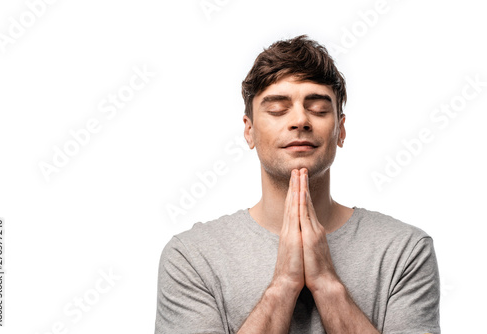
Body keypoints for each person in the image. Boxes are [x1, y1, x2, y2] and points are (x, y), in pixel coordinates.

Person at [155, 35, 440, 333]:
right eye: (278, 109)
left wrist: (328, 285)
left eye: (318, 108)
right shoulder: (192, 256)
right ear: (249, 131)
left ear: (340, 131)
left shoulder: (404, 251)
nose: (300, 120)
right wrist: (283, 285)